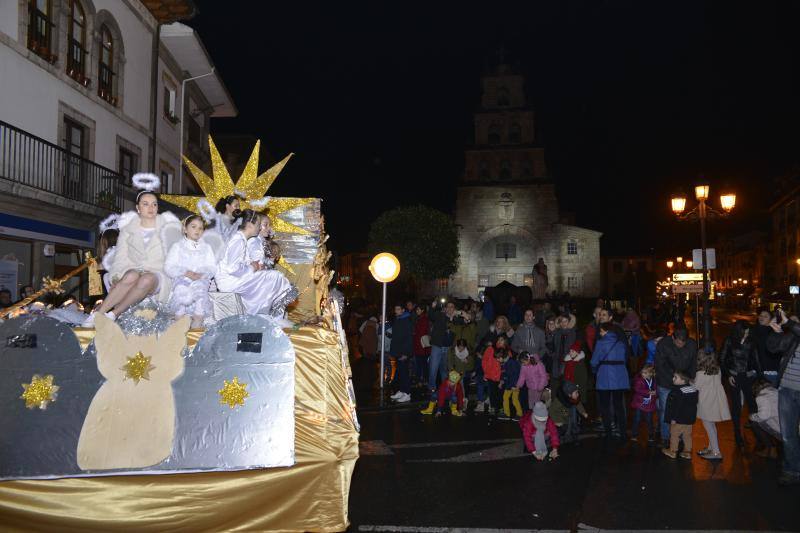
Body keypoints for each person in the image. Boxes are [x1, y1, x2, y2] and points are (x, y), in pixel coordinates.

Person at [85, 185, 182, 325]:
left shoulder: (169, 229)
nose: (151, 208)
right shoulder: (127, 230)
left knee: (146, 279)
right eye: (146, 204)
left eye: (154, 204)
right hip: (134, 271)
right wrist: (116, 277)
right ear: (138, 208)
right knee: (131, 275)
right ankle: (98, 315)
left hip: (159, 274)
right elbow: (120, 259)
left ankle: (114, 314)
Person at [215, 209, 298, 318]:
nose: (259, 228)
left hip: (235, 279)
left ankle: (264, 313)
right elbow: (233, 269)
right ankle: (264, 315)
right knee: (275, 277)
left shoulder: (240, 239)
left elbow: (238, 262)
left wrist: (253, 265)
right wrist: (252, 267)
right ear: (250, 225)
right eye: (259, 225)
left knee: (271, 278)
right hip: (230, 282)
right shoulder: (238, 240)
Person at [765, 309, 800, 485]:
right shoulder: (792, 336)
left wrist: (789, 323)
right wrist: (777, 331)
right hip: (787, 389)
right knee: (788, 434)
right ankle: (792, 470)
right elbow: (772, 348)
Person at [163, 215, 217, 329]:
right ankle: (179, 316)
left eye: (200, 228)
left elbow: (212, 267)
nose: (197, 230)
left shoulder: (206, 248)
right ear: (185, 229)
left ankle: (198, 317)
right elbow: (169, 266)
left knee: (200, 289)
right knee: (181, 289)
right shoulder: (178, 246)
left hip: (200, 278)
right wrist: (185, 272)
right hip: (183, 277)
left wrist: (203, 274)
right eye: (193, 227)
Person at [721, 320, 761, 448]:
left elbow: (756, 359)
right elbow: (722, 359)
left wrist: (759, 376)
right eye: (744, 332)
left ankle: (758, 434)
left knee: (753, 405)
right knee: (736, 406)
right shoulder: (730, 341)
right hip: (735, 376)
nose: (746, 335)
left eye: (748, 333)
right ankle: (737, 434)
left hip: (748, 376)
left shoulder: (751, 342)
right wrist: (728, 375)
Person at [654, 327, 698, 444]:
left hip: (683, 382)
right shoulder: (663, 344)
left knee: (682, 410)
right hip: (666, 382)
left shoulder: (692, 345)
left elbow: (694, 363)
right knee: (665, 409)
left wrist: (690, 378)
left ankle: (681, 437)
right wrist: (673, 379)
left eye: (683, 343)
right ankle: (666, 437)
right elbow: (660, 365)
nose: (680, 345)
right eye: (678, 343)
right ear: (673, 338)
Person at [591, 322, 630, 441]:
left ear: (606, 331)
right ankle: (622, 432)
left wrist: (595, 371)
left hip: (605, 377)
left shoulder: (600, 343)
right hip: (620, 377)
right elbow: (625, 359)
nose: (600, 333)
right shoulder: (621, 343)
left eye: (601, 331)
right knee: (619, 406)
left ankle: (608, 432)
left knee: (605, 406)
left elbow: (594, 361)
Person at [694, 351, 730, 461]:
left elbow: (696, 386)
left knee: (709, 427)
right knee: (712, 426)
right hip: (716, 401)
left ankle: (716, 452)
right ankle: (711, 448)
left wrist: (689, 381)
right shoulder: (718, 370)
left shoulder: (701, 373)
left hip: (706, 402)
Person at [662, 371, 698, 460]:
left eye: (675, 377)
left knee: (674, 434)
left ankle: (673, 451)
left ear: (683, 381)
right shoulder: (693, 389)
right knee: (687, 435)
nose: (673, 378)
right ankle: (687, 452)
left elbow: (677, 406)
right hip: (689, 419)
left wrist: (673, 418)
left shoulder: (678, 391)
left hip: (679, 419)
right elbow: (694, 404)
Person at [427, 299, 457, 405]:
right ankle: (432, 390)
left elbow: (467, 321)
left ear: (454, 309)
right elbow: (431, 316)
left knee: (444, 371)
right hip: (437, 346)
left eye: (452, 307)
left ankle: (445, 390)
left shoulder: (456, 319)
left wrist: (466, 316)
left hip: (447, 348)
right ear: (445, 308)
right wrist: (432, 307)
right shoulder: (440, 315)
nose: (450, 309)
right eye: (448, 306)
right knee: (433, 369)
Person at [750, 379, 781, 459]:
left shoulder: (761, 397)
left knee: (755, 423)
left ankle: (771, 448)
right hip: (789, 426)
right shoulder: (776, 391)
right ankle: (773, 447)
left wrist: (751, 416)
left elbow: (763, 416)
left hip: (781, 430)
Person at [388, 304, 414, 403]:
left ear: (403, 310)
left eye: (398, 309)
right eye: (395, 309)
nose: (396, 311)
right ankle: (402, 391)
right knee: (400, 372)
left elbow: (408, 338)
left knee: (404, 373)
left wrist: (406, 353)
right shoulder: (398, 319)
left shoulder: (406, 321)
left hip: (403, 352)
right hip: (398, 351)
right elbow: (397, 336)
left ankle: (407, 393)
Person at [630, 364, 658, 443]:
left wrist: (656, 392)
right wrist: (648, 392)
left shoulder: (654, 381)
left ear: (651, 373)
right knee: (637, 419)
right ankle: (634, 434)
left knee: (649, 420)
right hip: (639, 403)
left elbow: (657, 390)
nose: (643, 374)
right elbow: (637, 389)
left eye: (645, 373)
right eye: (642, 372)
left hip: (649, 404)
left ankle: (651, 435)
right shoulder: (639, 380)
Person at [753, 307, 780, 385]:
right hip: (755, 370)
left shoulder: (774, 332)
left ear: (771, 320)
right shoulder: (753, 330)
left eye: (765, 316)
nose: (762, 318)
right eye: (761, 315)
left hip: (769, 371)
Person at [448, 338, 475, 410]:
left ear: (465, 347)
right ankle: (452, 402)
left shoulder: (468, 353)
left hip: (463, 374)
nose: (461, 349)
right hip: (454, 373)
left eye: (462, 347)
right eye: (459, 347)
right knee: (453, 388)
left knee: (462, 389)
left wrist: (467, 361)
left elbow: (471, 366)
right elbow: (449, 362)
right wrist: (452, 371)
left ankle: (463, 403)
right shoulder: (452, 351)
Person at [482, 337, 506, 416]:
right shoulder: (490, 349)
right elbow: (484, 361)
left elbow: (507, 364)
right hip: (490, 375)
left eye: (502, 340)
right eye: (499, 339)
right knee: (492, 392)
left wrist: (502, 362)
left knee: (500, 393)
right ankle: (492, 407)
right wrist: (486, 373)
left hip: (500, 376)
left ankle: (500, 408)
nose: (500, 341)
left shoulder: (506, 351)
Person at [552, 314, 577, 381]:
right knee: (557, 378)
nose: (563, 323)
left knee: (565, 378)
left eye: (565, 321)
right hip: (557, 359)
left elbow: (575, 346)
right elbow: (554, 345)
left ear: (569, 322)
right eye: (562, 321)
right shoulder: (557, 333)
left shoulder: (572, 332)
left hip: (568, 359)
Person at [500, 349, 522, 421]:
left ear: (504, 357)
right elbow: (504, 373)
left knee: (514, 399)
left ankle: (519, 414)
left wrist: (514, 385)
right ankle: (507, 414)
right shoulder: (505, 363)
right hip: (509, 384)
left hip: (514, 385)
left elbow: (516, 375)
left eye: (499, 358)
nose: (498, 360)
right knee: (506, 397)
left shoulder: (512, 363)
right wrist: (502, 380)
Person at [412, 306, 431, 386]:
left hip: (422, 345)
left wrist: (414, 333)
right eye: (416, 310)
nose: (417, 311)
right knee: (422, 364)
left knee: (422, 364)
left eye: (418, 309)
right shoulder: (419, 318)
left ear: (422, 310)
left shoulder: (423, 319)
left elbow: (421, 332)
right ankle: (421, 380)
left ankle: (422, 380)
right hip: (420, 345)